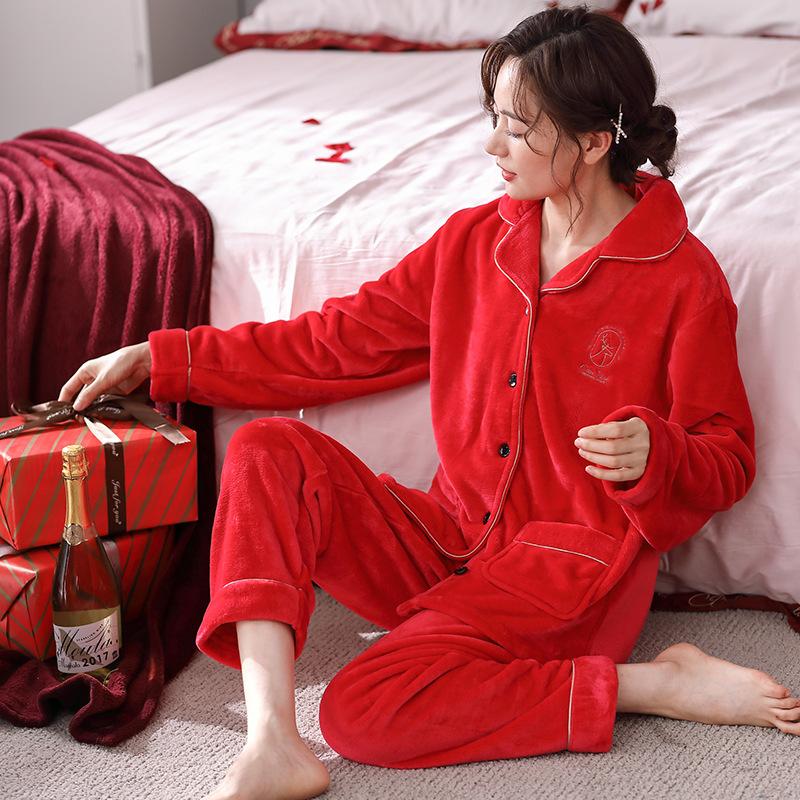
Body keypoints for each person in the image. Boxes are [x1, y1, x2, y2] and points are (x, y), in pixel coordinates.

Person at [60, 6, 799, 800]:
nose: (492, 146)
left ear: (592, 142)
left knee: (363, 710)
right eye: (493, 119)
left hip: (566, 574)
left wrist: (658, 452)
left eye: (516, 128)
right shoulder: (475, 241)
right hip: (449, 533)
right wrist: (167, 358)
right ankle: (271, 737)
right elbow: (338, 341)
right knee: (267, 448)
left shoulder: (683, 279)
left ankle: (646, 684)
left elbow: (726, 455)